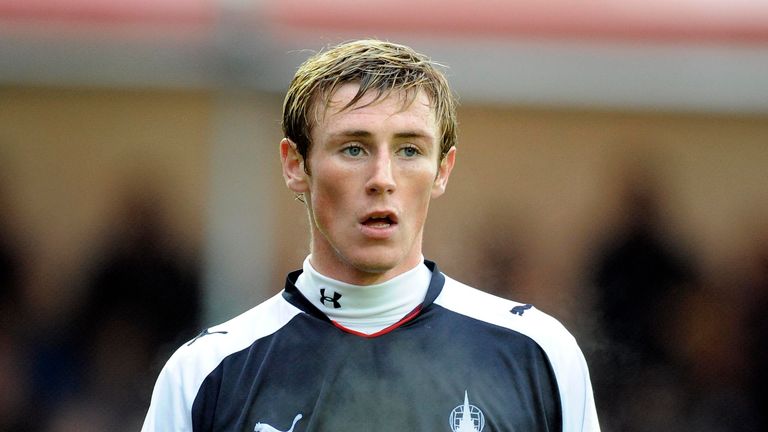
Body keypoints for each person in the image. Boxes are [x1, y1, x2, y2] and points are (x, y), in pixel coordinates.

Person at [142, 39, 600, 432]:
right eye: (354, 148)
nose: (382, 177)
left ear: (443, 170)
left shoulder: (538, 353)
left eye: (409, 150)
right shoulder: (204, 374)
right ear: (295, 164)